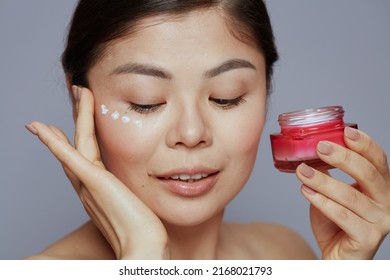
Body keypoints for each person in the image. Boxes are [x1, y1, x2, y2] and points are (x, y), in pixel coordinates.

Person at [24, 0, 390, 260]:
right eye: (146, 101)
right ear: (80, 99)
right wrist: (144, 261)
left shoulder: (287, 253)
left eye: (225, 97)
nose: (192, 132)